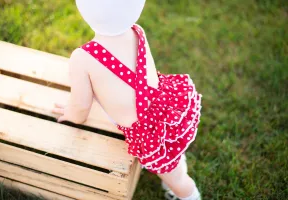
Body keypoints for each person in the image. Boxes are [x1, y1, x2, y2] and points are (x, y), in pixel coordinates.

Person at [53, 1, 202, 199]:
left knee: (178, 180)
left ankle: (188, 194)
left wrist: (71, 114)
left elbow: (80, 108)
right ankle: (175, 159)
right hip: (166, 109)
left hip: (150, 132)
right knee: (172, 153)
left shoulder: (82, 57)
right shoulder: (137, 31)